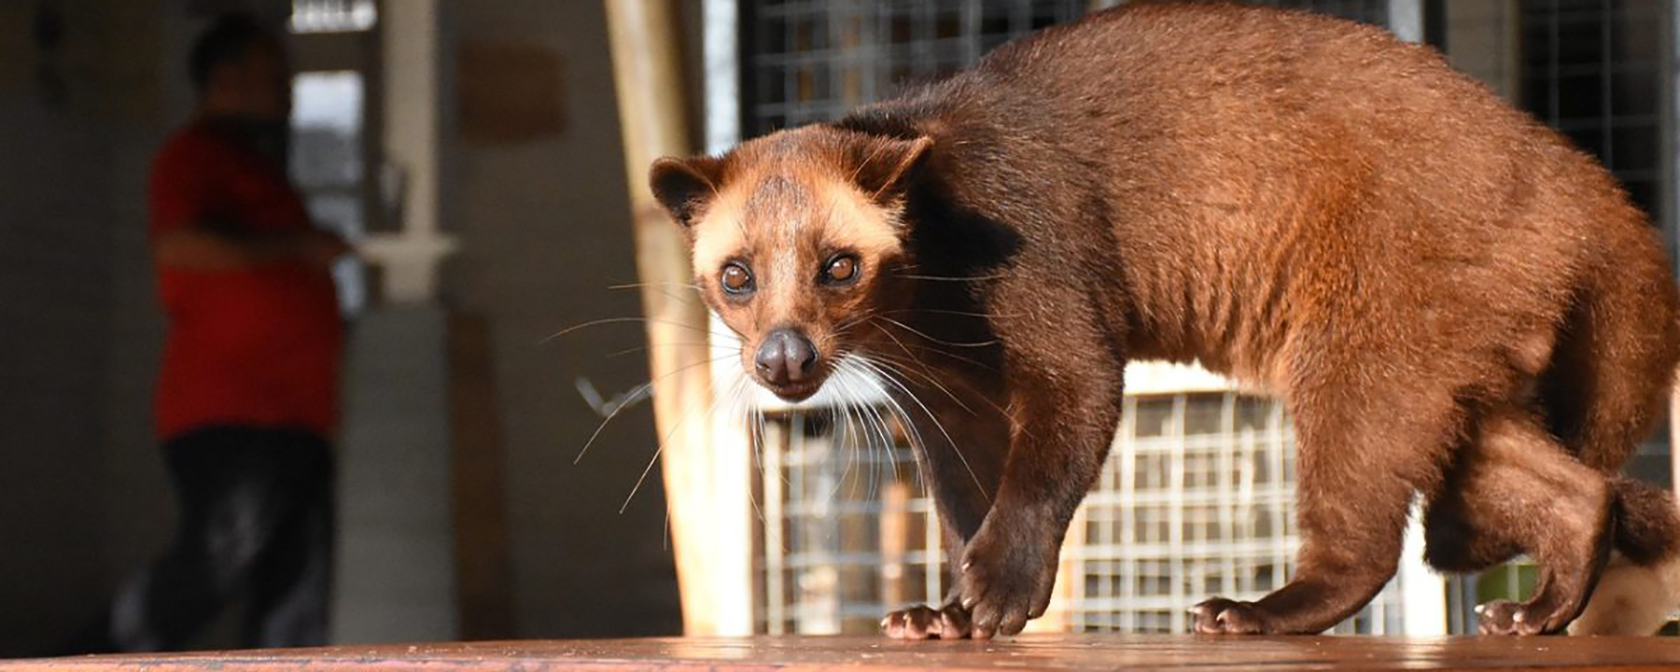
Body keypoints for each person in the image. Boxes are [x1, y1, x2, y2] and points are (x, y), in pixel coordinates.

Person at [69, 13, 349, 653]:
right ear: (225, 81)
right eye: (274, 77)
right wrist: (298, 246)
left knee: (297, 588)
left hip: (297, 414)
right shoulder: (192, 155)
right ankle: (87, 661)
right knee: (217, 558)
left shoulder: (261, 169)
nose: (289, 91)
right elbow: (183, 246)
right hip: (230, 407)